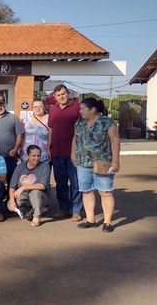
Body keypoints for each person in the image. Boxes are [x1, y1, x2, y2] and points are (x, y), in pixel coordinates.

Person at [73, 97, 121, 232]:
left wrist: (116, 161)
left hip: (103, 162)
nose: (80, 111)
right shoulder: (80, 122)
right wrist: (73, 154)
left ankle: (107, 222)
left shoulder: (107, 122)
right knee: (86, 191)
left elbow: (115, 141)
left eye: (82, 109)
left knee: (105, 191)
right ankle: (90, 219)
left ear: (92, 109)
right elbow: (75, 139)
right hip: (83, 162)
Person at [48, 84, 83, 221]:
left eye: (63, 94)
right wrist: (48, 148)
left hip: (74, 153)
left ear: (68, 93)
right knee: (60, 183)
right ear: (55, 97)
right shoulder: (53, 110)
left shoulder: (77, 108)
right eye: (58, 95)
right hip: (56, 152)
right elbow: (50, 130)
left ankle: (76, 211)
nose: (61, 97)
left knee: (75, 183)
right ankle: (64, 209)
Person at [7, 145, 51, 227]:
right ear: (28, 156)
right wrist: (12, 201)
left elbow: (42, 186)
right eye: (33, 156)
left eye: (38, 156)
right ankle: (30, 211)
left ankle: (37, 217)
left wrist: (23, 187)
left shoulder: (45, 166)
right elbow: (12, 187)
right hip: (25, 195)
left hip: (40, 195)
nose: (36, 158)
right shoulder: (20, 167)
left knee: (35, 193)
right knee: (10, 205)